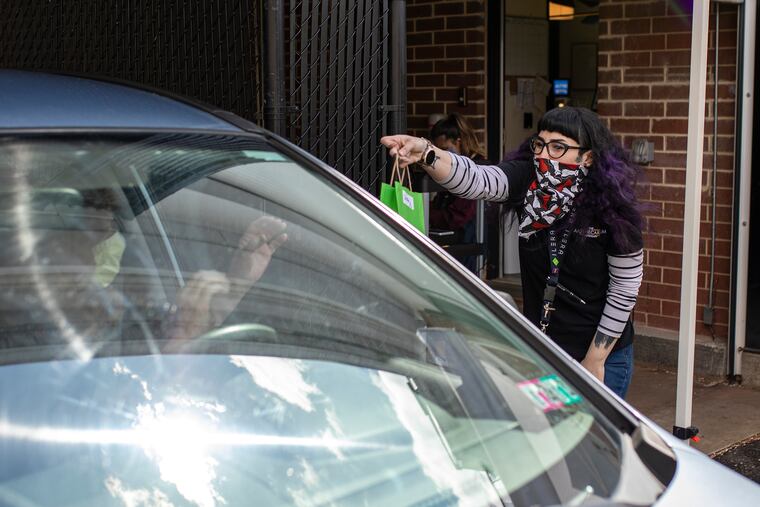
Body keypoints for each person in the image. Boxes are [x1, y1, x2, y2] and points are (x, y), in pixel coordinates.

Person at [381, 106, 644, 399]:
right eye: (540, 144)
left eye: (558, 147)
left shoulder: (614, 209)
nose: (544, 155)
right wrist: (427, 152)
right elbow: (476, 178)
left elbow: (625, 288)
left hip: (601, 355)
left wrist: (594, 361)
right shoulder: (527, 180)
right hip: (544, 349)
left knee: (593, 440)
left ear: (588, 156)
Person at [427, 113, 486, 274]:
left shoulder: (477, 168)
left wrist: (426, 213)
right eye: (437, 151)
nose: (440, 156)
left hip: (468, 244)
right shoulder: (451, 167)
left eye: (445, 149)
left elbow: (456, 216)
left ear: (458, 142)